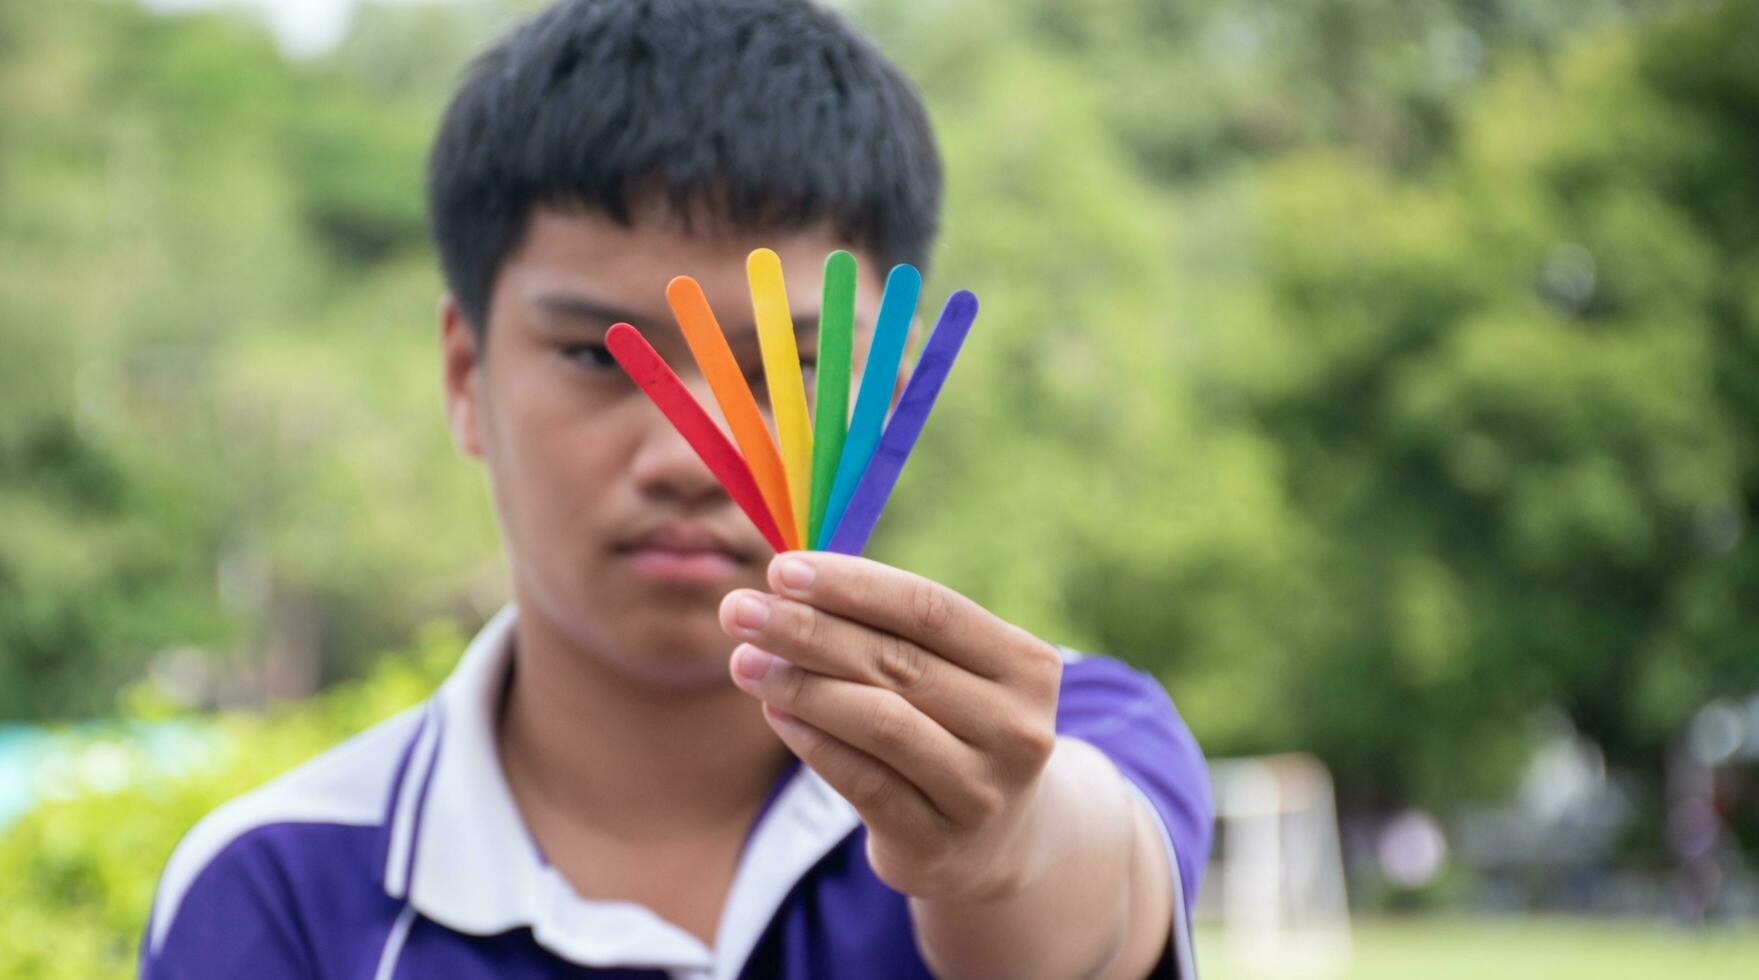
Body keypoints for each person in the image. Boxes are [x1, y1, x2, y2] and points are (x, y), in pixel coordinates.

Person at [139, 1, 1211, 977]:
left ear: (892, 390)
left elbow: (1094, 900)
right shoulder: (273, 890)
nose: (693, 456)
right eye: (605, 358)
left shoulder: (1054, 734)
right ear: (466, 374)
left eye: (792, 368)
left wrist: (1001, 846)